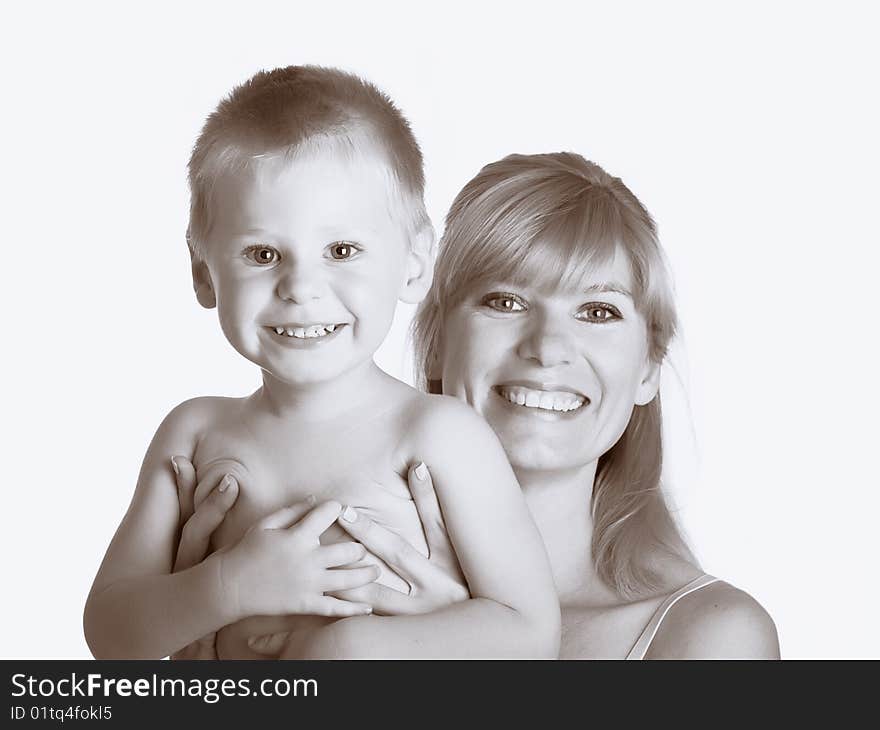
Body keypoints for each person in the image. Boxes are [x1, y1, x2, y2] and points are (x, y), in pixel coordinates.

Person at [191, 151, 778, 659]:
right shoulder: (287, 583)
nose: (547, 349)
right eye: (505, 300)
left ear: (649, 366)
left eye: (598, 312)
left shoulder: (710, 638)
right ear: (439, 341)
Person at [83, 67, 560, 660]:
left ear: (413, 264)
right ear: (204, 273)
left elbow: (530, 634)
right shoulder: (195, 432)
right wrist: (225, 587)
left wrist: (356, 647)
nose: (301, 287)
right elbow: (110, 632)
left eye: (342, 250)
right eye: (262, 254)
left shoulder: (439, 435)